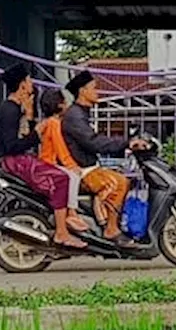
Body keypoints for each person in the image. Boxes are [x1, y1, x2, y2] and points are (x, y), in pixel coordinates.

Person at [0, 62, 86, 250]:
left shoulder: (15, 108)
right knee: (61, 179)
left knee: (63, 177)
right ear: (22, 85)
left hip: (18, 159)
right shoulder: (9, 110)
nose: (31, 84)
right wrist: (37, 133)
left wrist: (30, 117)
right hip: (15, 161)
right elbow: (12, 146)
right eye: (29, 81)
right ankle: (61, 233)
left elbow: (24, 137)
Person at [60, 70, 147, 245]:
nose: (97, 92)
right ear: (83, 91)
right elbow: (93, 142)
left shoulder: (81, 113)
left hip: (89, 166)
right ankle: (111, 229)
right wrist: (126, 143)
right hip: (83, 170)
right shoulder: (75, 116)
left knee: (118, 176)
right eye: (94, 88)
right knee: (120, 182)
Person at [36, 87, 86, 220]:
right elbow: (60, 149)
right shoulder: (54, 123)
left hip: (45, 162)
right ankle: (72, 211)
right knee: (73, 177)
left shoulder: (47, 122)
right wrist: (73, 166)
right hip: (49, 163)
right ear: (59, 105)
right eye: (64, 102)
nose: (67, 105)